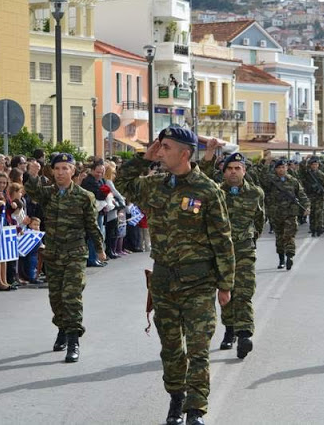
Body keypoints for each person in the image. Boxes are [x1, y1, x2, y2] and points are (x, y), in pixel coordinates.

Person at [116, 126, 234, 425]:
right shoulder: (156, 186)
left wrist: (225, 284)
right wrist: (145, 157)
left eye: (166, 147)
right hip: (164, 281)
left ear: (184, 153)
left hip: (198, 283)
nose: (161, 151)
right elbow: (121, 181)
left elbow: (222, 239)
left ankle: (195, 409)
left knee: (197, 348)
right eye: (160, 146)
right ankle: (176, 397)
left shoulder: (207, 190)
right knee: (170, 347)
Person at [25, 153, 106, 363]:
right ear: (52, 171)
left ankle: (73, 340)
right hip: (52, 254)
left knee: (72, 297)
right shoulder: (48, 193)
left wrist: (99, 248)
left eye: (65, 168)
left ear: (73, 171)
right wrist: (32, 174)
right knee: (56, 298)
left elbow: (92, 225)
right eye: (57, 168)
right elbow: (32, 191)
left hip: (75, 254)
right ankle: (62, 328)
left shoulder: (83, 196)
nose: (61, 172)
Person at [201, 141, 265, 358]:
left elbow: (259, 220)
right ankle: (229, 330)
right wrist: (209, 152)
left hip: (245, 251)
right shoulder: (215, 192)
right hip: (219, 254)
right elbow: (201, 177)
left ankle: (245, 333)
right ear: (223, 171)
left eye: (238, 168)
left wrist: (249, 240)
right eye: (229, 168)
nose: (233, 172)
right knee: (226, 295)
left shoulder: (255, 193)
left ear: (244, 170)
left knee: (244, 292)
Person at [260, 151, 310, 270]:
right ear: (275, 169)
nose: (281, 170)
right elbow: (262, 178)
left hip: (290, 213)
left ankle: (289, 257)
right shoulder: (271, 180)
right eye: (279, 168)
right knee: (279, 237)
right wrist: (266, 163)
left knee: (289, 236)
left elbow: (302, 195)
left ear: (287, 168)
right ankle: (281, 259)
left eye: (283, 167)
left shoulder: (293, 181)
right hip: (276, 214)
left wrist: (307, 207)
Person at [300, 156, 324, 237]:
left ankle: (319, 228)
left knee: (319, 213)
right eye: (313, 164)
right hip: (310, 196)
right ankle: (312, 228)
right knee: (312, 213)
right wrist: (305, 160)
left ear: (318, 165)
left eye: (316, 164)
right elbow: (301, 167)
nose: (314, 166)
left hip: (319, 196)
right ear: (310, 165)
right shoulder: (307, 173)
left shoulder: (322, 174)